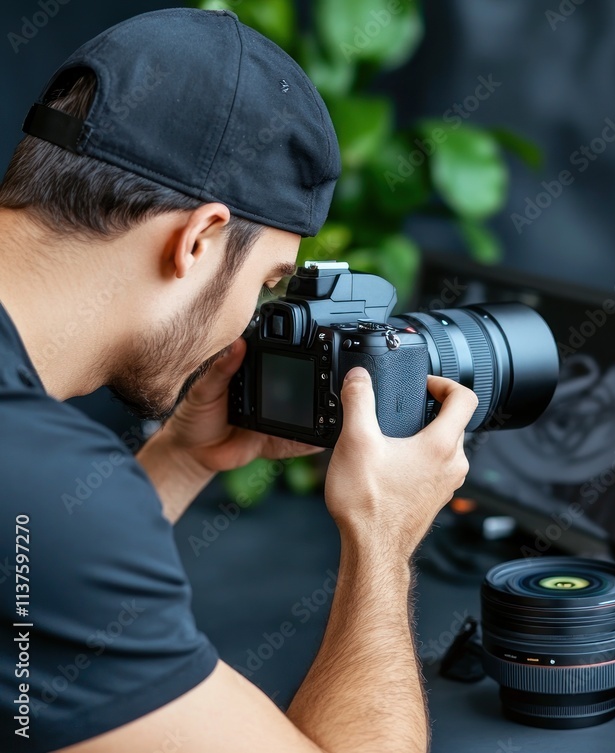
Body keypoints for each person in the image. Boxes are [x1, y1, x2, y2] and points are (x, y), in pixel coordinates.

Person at [0, 9, 477, 753]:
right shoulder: (38, 483)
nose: (252, 322)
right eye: (269, 283)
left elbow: (31, 602)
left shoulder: (27, 475)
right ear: (199, 239)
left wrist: (183, 458)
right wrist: (382, 538)